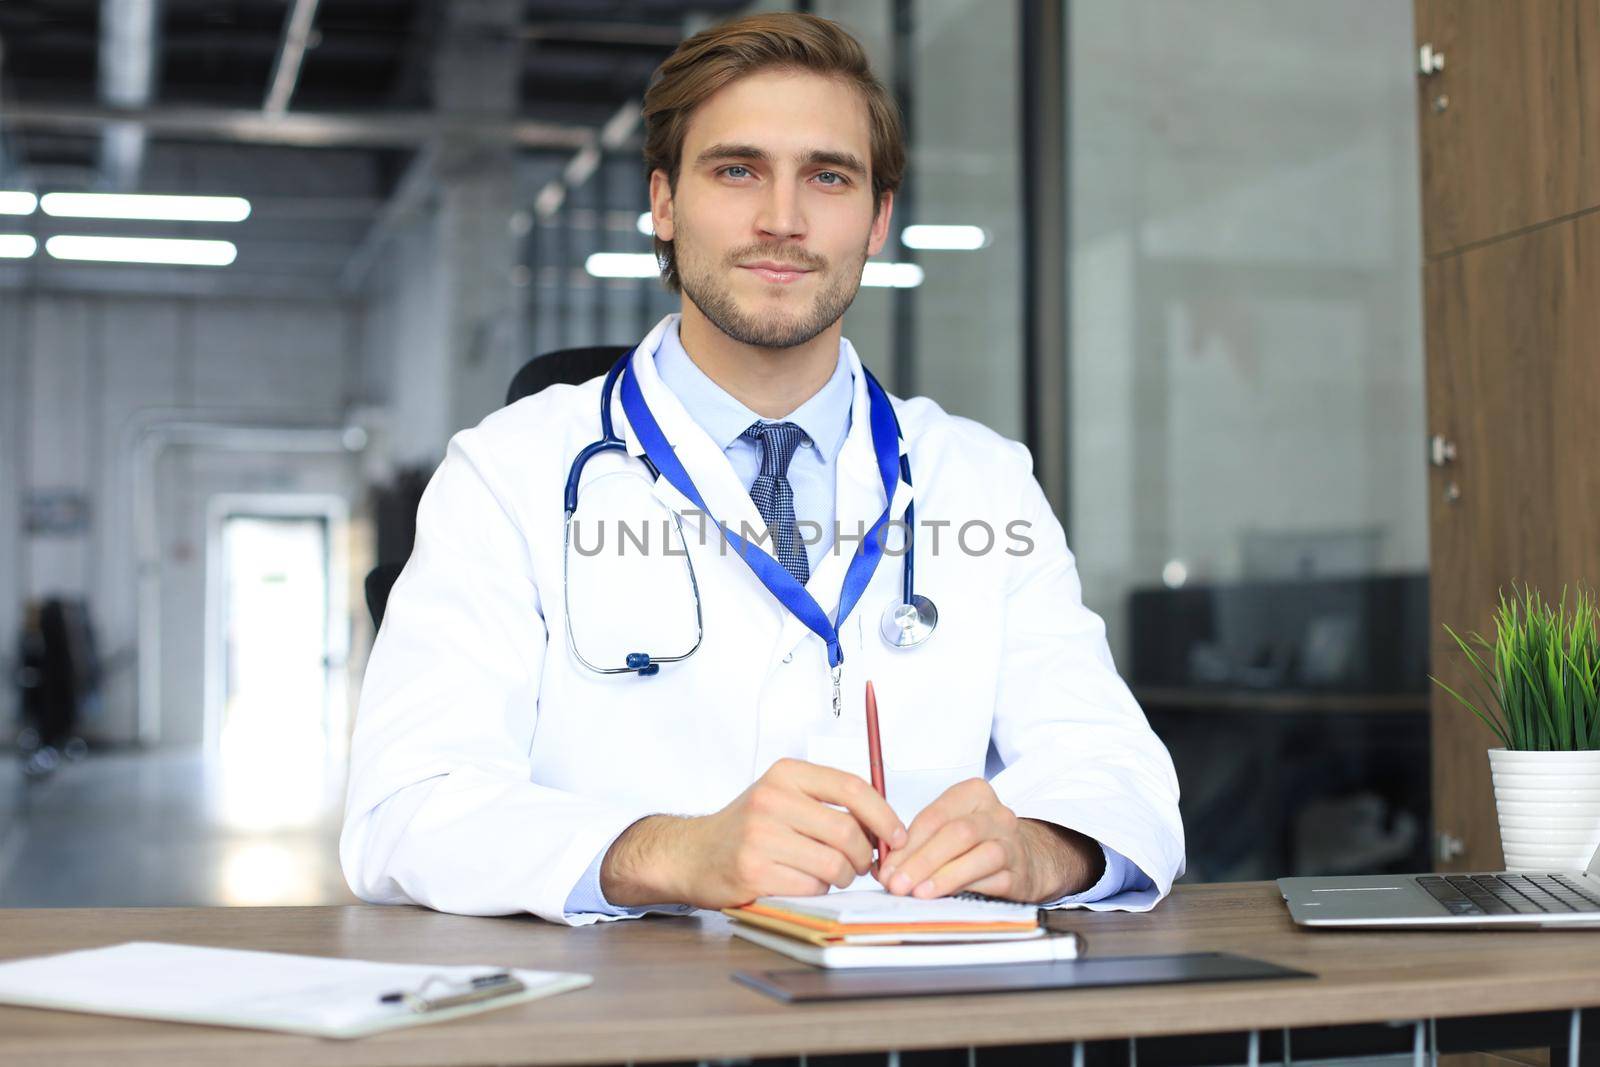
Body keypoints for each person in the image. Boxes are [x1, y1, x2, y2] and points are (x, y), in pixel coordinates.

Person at [341, 11, 1183, 925]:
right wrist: (669, 850)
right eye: (736, 169)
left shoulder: (982, 479)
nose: (782, 220)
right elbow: (404, 807)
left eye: (828, 176)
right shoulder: (508, 473)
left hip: (919, 1009)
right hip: (626, 1018)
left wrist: (1041, 844)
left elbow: (1121, 776)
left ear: (877, 218)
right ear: (663, 203)